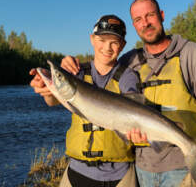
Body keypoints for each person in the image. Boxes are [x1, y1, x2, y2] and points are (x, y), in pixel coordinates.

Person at [61, 0, 196, 187]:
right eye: (138, 19)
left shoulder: (190, 53)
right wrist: (70, 65)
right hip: (143, 168)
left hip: (181, 166)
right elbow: (98, 82)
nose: (145, 23)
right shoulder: (129, 60)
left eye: (150, 15)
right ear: (134, 25)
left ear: (162, 15)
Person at [29, 15, 139, 187]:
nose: (107, 48)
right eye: (102, 40)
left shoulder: (128, 76)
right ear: (92, 40)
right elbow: (52, 101)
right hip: (77, 173)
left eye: (114, 43)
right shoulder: (77, 72)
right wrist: (46, 88)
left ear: (122, 45)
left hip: (119, 176)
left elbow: (133, 100)